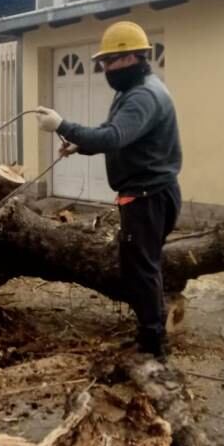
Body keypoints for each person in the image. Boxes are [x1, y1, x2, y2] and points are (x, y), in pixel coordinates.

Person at [35, 21, 182, 361]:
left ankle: (153, 347)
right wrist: (78, 145)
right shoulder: (132, 91)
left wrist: (61, 125)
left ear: (131, 58)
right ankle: (150, 333)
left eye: (109, 62)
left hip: (149, 198)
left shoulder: (144, 96)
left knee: (141, 269)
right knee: (142, 266)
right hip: (148, 195)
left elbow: (113, 137)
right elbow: (112, 134)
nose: (104, 69)